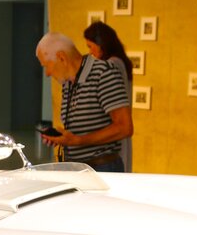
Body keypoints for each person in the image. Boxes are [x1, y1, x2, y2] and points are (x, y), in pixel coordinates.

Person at [35, 32, 132, 172]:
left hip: (102, 168)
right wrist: (62, 137)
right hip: (77, 168)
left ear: (61, 57)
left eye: (46, 65)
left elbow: (124, 127)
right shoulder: (68, 82)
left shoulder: (104, 73)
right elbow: (81, 128)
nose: (47, 73)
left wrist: (79, 140)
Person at [84, 21, 134, 173]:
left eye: (91, 46)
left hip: (113, 133)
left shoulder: (112, 64)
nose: (91, 52)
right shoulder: (118, 62)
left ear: (102, 44)